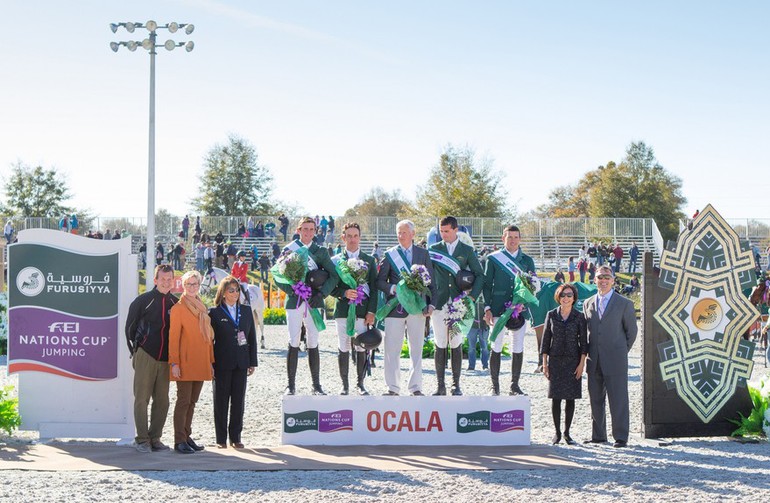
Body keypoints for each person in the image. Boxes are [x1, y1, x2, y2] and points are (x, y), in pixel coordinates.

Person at [275, 217, 339, 395]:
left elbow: (333, 276)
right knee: (293, 341)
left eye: (311, 229)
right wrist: (293, 290)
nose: (308, 232)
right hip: (295, 300)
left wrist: (322, 294)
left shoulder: (320, 252)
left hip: (313, 301)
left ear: (316, 230)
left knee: (313, 341)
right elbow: (277, 276)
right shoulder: (289, 249)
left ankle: (316, 385)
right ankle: (291, 385)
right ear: (298, 230)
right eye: (305, 229)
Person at [377, 219, 437, 396]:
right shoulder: (390, 254)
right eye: (398, 232)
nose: (400, 235)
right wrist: (392, 288)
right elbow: (380, 281)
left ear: (413, 233)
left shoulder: (423, 253)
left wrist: (431, 304)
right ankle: (393, 387)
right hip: (394, 308)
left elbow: (432, 282)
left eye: (404, 232)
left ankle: (415, 387)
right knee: (391, 349)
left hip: (417, 308)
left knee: (416, 349)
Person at [124, 264, 178, 453]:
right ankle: (142, 439)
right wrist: (137, 349)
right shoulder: (143, 300)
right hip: (145, 354)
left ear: (173, 280)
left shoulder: (175, 303)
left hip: (165, 358)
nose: (165, 282)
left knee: (162, 400)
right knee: (142, 398)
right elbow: (129, 328)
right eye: (162, 279)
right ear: (155, 280)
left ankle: (155, 438)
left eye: (169, 279)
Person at [428, 216, 484, 396]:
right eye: (441, 231)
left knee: (456, 342)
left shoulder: (466, 250)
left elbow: (479, 275)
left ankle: (456, 384)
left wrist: (472, 298)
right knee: (440, 342)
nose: (443, 234)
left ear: (455, 229)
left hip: (459, 303)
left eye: (446, 231)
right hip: (439, 303)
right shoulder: (433, 250)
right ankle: (440, 385)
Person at [583, 266, 638, 448]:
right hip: (594, 359)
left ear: (613, 280)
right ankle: (598, 435)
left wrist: (620, 351)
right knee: (595, 399)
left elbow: (631, 332)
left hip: (616, 358)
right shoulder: (588, 303)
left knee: (618, 399)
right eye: (600, 277)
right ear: (595, 280)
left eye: (607, 277)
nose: (603, 280)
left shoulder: (624, 304)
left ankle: (621, 436)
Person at [483, 224, 537, 396]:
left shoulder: (527, 260)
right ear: (503, 238)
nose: (513, 240)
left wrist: (523, 304)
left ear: (520, 239)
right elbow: (486, 285)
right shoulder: (493, 259)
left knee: (518, 346)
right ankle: (494, 385)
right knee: (496, 345)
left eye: (516, 237)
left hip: (519, 309)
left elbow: (533, 285)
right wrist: (487, 308)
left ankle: (514, 385)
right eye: (509, 237)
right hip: (498, 307)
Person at [168, 271, 214, 454]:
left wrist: (210, 361)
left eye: (195, 284)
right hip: (185, 362)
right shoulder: (179, 308)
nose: (192, 287)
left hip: (201, 360)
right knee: (183, 401)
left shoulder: (201, 306)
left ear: (199, 285)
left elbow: (208, 338)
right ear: (183, 286)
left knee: (193, 401)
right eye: (188, 284)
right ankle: (179, 439)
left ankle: (187, 436)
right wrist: (174, 363)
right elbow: (173, 338)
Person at [210, 276, 258, 449]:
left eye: (237, 290)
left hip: (241, 362)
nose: (235, 293)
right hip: (221, 363)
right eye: (231, 290)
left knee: (238, 401)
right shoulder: (214, 312)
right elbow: (209, 341)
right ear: (223, 293)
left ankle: (236, 437)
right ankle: (221, 439)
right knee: (221, 401)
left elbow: (251, 337)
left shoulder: (245, 310)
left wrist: (252, 361)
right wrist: (210, 363)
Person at [330, 222, 378, 395]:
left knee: (361, 346)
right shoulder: (336, 261)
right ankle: (344, 385)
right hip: (343, 310)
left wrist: (371, 312)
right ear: (343, 238)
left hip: (362, 311)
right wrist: (344, 292)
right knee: (343, 345)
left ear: (360, 237)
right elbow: (330, 287)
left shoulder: (369, 260)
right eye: (348, 236)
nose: (352, 239)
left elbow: (374, 288)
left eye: (355, 235)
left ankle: (360, 384)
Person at [541, 283, 588, 445]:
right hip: (555, 361)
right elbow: (546, 340)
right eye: (563, 295)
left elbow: (584, 343)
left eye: (569, 295)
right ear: (558, 297)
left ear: (574, 298)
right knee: (555, 398)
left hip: (573, 361)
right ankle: (557, 433)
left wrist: (582, 364)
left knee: (570, 399)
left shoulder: (579, 316)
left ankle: (567, 433)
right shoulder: (551, 315)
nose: (566, 298)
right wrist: (544, 363)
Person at [466, 295, 490, 371]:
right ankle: (471, 366)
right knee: (471, 347)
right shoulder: (469, 294)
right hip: (472, 326)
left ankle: (485, 365)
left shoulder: (486, 293)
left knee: (484, 346)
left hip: (484, 325)